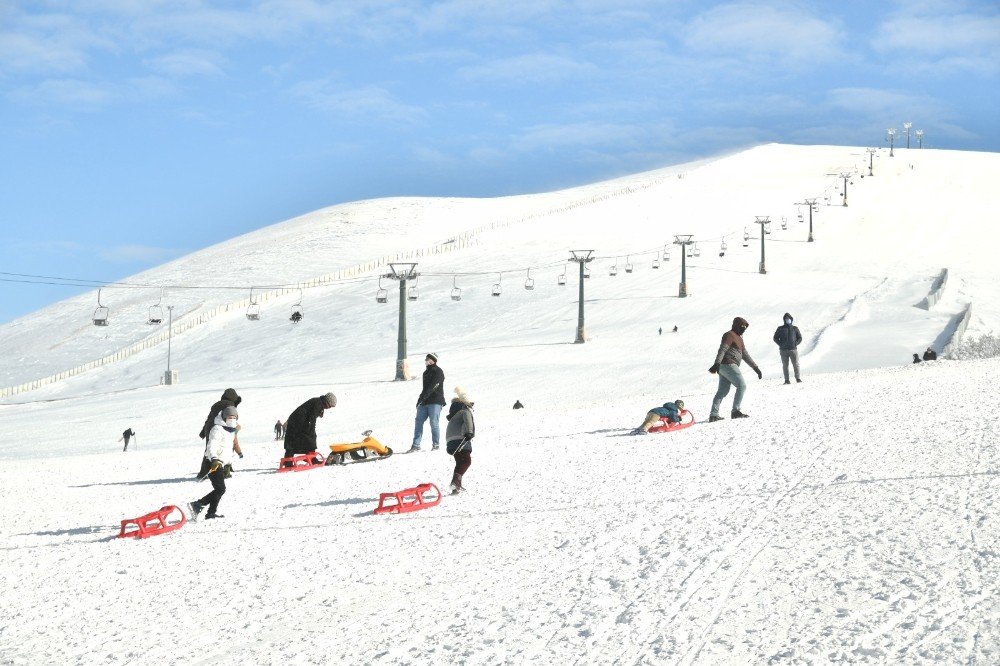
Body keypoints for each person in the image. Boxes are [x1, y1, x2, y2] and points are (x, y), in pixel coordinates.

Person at [708, 317, 762, 422]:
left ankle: (713, 415)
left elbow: (745, 355)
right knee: (741, 385)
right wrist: (717, 363)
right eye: (742, 326)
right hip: (729, 364)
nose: (744, 328)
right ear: (736, 325)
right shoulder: (729, 335)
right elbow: (722, 349)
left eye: (745, 327)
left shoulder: (739, 338)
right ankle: (735, 411)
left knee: (722, 391)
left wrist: (756, 368)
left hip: (724, 367)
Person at [190, 405, 239, 520]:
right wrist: (214, 458)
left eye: (234, 417)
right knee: (221, 489)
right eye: (229, 417)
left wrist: (228, 462)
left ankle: (210, 513)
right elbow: (212, 445)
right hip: (213, 462)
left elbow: (227, 448)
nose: (232, 419)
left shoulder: (230, 431)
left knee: (219, 489)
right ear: (224, 417)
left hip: (220, 463)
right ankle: (198, 504)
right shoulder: (217, 429)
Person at [197, 388, 243, 479]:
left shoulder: (216, 405)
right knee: (226, 447)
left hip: (210, 427)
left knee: (210, 449)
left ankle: (204, 472)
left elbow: (209, 419)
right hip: (221, 427)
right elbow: (229, 418)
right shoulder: (230, 405)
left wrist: (203, 432)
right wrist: (235, 427)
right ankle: (224, 471)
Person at [283, 392, 336, 463]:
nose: (329, 408)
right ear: (327, 401)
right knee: (303, 437)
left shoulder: (319, 402)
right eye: (330, 406)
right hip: (296, 421)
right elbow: (312, 418)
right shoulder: (318, 403)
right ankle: (291, 461)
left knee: (307, 437)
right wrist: (311, 430)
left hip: (299, 421)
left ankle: (309, 457)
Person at [409, 353, 445, 452]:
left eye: (429, 359)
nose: (427, 360)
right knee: (418, 422)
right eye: (426, 359)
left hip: (435, 401)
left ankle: (436, 444)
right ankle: (416, 445)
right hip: (424, 402)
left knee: (434, 422)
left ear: (434, 360)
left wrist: (424, 397)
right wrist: (420, 400)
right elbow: (425, 389)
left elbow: (433, 386)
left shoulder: (438, 371)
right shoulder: (425, 373)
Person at [445, 386, 475, 494]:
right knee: (467, 461)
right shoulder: (464, 410)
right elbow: (468, 420)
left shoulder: (454, 414)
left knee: (459, 463)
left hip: (451, 441)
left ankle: (456, 486)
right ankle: (455, 483)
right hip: (461, 438)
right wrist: (470, 432)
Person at [772, 312, 803, 384]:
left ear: (791, 319)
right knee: (785, 365)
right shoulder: (780, 328)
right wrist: (780, 344)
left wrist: (796, 343)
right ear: (784, 320)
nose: (787, 320)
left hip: (793, 350)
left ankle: (798, 378)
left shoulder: (795, 328)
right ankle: (787, 380)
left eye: (789, 319)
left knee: (796, 364)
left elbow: (800, 338)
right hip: (783, 350)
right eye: (786, 319)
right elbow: (775, 338)